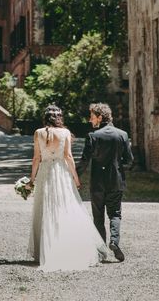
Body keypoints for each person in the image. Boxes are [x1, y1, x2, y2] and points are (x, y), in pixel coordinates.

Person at [25, 105, 107, 272]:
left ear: (45, 117)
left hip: (46, 173)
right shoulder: (65, 133)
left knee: (45, 208)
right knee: (65, 206)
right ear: (60, 118)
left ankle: (46, 251)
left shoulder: (38, 133)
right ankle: (68, 247)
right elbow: (68, 157)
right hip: (61, 173)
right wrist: (76, 178)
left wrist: (32, 180)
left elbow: (36, 158)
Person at [78, 102, 133, 262]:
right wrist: (117, 166)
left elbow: (84, 161)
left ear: (100, 117)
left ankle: (101, 251)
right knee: (115, 214)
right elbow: (129, 161)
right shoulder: (122, 134)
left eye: (92, 117)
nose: (90, 120)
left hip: (97, 183)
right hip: (116, 181)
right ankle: (114, 242)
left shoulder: (93, 136)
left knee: (98, 217)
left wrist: (73, 175)